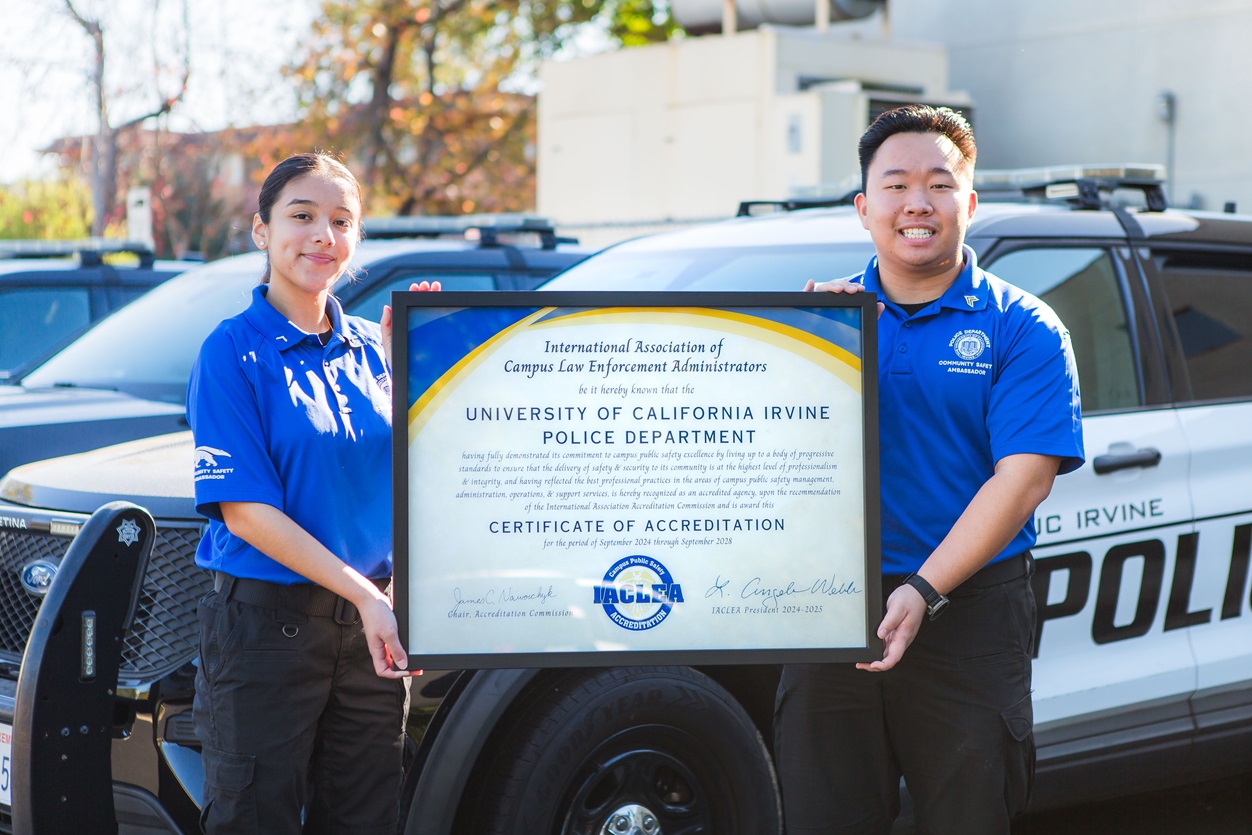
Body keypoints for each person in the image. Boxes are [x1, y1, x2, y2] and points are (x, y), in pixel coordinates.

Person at [774, 105, 1085, 834]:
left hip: (966, 614)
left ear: (969, 203)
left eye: (939, 184)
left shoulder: (1023, 327)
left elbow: (1023, 481)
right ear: (863, 208)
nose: (917, 202)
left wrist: (923, 589)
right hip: (826, 611)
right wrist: (446, 321)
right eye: (896, 184)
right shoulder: (807, 323)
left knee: (969, 816)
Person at [187, 152, 432, 833]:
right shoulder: (230, 352)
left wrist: (421, 366)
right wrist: (365, 594)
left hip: (370, 636)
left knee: (364, 820)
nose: (323, 234)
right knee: (254, 821)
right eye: (302, 216)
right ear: (262, 231)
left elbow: (416, 479)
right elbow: (246, 512)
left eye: (341, 220)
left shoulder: (373, 352)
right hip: (267, 634)